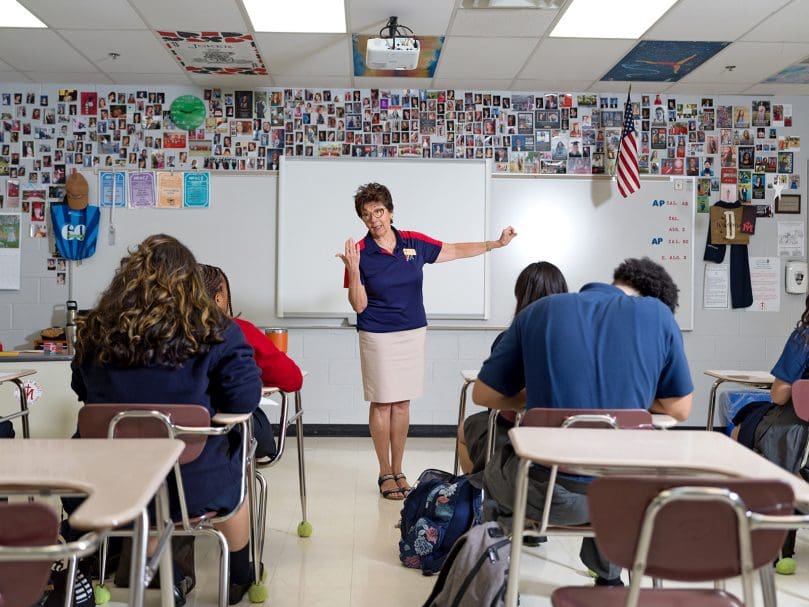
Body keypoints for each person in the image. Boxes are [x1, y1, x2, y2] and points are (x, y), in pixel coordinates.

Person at [474, 257, 692, 586]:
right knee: (614, 468)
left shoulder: (539, 312)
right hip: (626, 500)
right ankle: (609, 579)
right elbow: (680, 410)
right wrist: (630, 398)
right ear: (649, 297)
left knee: (493, 471)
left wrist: (532, 402)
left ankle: (498, 577)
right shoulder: (658, 315)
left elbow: (483, 394)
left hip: (545, 494)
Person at [70, 234, 263, 604]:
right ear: (191, 283)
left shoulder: (95, 332)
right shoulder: (218, 330)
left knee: (146, 482)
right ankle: (240, 575)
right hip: (193, 486)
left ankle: (147, 572)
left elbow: (83, 391)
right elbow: (244, 400)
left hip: (107, 482)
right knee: (236, 447)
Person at [336, 183, 517, 500]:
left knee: (403, 402)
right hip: (376, 335)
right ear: (363, 220)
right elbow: (359, 305)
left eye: (378, 211)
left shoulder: (413, 243)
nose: (374, 219)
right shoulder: (360, 254)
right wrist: (353, 269)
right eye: (367, 215)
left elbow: (456, 250)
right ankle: (384, 472)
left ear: (390, 212)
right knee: (382, 402)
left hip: (411, 332)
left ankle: (399, 468)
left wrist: (496, 244)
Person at [458, 262, 568, 475]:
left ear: (521, 297)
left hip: (519, 427)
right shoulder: (579, 341)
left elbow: (490, 398)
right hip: (569, 429)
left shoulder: (511, 338)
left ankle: (476, 492)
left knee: (466, 429)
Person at [200, 264, 303, 464]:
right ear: (219, 298)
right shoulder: (238, 330)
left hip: (171, 431)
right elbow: (292, 379)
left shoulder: (164, 334)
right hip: (227, 430)